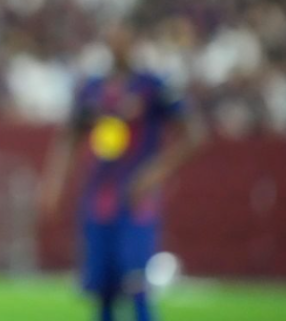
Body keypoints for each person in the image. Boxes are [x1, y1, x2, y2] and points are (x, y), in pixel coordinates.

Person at [40, 24, 205, 321]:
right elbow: (70, 136)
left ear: (135, 42)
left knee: (136, 282)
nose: (118, 44)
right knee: (102, 288)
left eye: (124, 38)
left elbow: (194, 133)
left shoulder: (153, 86)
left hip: (136, 197)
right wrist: (54, 183)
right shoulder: (92, 89)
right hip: (98, 198)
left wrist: (156, 171)